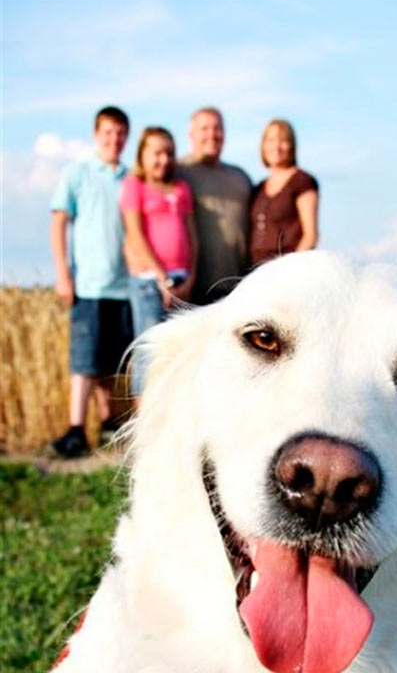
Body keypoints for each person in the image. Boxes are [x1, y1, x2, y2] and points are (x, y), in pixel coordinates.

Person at [50, 106, 133, 458]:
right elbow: (58, 224)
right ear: (96, 135)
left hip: (126, 284)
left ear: (126, 137)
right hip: (88, 284)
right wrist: (63, 274)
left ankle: (109, 421)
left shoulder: (132, 178)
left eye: (119, 133)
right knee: (84, 360)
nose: (113, 140)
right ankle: (76, 429)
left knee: (112, 361)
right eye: (107, 133)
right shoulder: (77, 174)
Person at [120, 126, 198, 397]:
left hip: (180, 278)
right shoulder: (135, 186)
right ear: (142, 155)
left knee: (177, 350)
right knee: (149, 346)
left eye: (169, 153)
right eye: (156, 153)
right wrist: (160, 275)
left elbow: (192, 234)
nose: (163, 159)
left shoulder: (181, 188)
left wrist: (191, 276)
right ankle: (143, 420)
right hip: (149, 280)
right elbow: (136, 233)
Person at [177, 107, 251, 304]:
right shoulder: (178, 172)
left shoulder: (241, 178)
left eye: (217, 128)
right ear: (191, 135)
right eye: (204, 129)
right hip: (190, 288)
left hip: (236, 288)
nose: (212, 135)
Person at [248, 119, 319, 268]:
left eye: (283, 140)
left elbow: (310, 235)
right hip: (256, 270)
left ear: (291, 145)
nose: (276, 146)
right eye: (271, 140)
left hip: (287, 271)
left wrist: (289, 270)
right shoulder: (259, 188)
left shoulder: (302, 181)